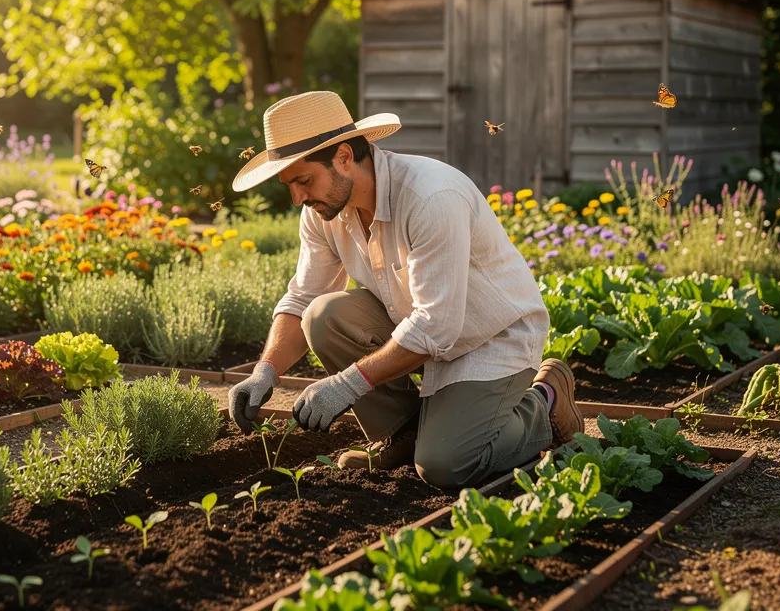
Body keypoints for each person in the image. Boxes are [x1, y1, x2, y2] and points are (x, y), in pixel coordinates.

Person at [226, 90, 583, 489]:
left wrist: (347, 383)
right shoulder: (324, 209)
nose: (297, 198)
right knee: (323, 316)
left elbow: (436, 326)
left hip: (490, 339)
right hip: (418, 328)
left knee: (447, 467)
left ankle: (545, 404)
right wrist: (265, 372)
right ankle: (406, 435)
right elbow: (303, 297)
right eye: (288, 185)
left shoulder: (431, 197)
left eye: (304, 180)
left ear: (344, 157)